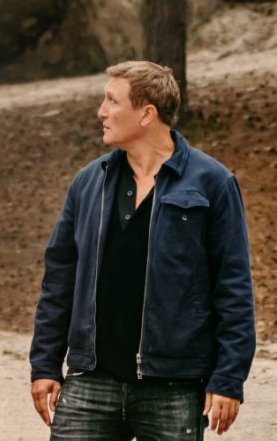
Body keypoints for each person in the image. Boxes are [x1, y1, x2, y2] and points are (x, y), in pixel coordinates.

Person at [29, 61, 255, 440]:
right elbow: (59, 280)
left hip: (173, 385)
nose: (102, 111)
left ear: (147, 113)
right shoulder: (89, 182)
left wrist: (228, 378)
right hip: (91, 381)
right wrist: (45, 365)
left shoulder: (212, 183)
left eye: (112, 101)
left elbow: (233, 286)